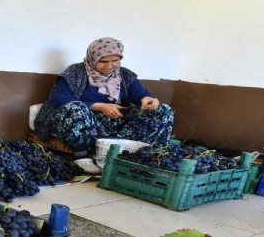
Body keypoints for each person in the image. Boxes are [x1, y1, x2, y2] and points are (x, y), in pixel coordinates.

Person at [34, 37, 173, 173]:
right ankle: (81, 156)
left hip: (113, 122)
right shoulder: (75, 72)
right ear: (92, 57)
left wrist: (148, 99)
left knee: (163, 110)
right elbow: (60, 99)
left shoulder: (124, 75)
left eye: (115, 61)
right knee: (75, 108)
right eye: (103, 61)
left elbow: (140, 96)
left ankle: (143, 154)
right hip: (82, 122)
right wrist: (99, 106)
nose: (109, 66)